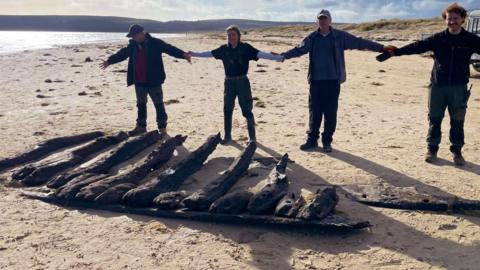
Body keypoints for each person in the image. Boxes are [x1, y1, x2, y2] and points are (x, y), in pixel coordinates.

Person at [278, 10, 396, 152]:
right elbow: (298, 50)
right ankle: (312, 141)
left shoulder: (340, 36)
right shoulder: (312, 38)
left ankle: (327, 141)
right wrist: (283, 56)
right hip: (316, 81)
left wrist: (381, 47)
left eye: (325, 18)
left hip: (333, 81)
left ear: (330, 20)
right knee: (314, 112)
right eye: (320, 19)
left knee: (330, 113)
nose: (322, 21)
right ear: (317, 21)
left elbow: (359, 42)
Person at [382, 3, 480, 166]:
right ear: (445, 20)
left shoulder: (470, 40)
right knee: (434, 118)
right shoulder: (438, 38)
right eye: (449, 19)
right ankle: (432, 149)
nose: (452, 22)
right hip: (438, 85)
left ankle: (457, 151)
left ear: (462, 19)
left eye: (455, 19)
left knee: (457, 120)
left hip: (458, 86)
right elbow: (417, 47)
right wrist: (396, 52)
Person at [189, 25, 283, 144]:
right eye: (229, 35)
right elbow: (209, 54)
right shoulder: (223, 49)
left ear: (239, 36)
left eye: (233, 35)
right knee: (227, 108)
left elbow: (261, 54)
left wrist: (278, 57)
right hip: (229, 82)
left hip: (242, 81)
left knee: (247, 108)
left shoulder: (246, 48)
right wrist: (193, 54)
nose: (231, 37)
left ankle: (252, 138)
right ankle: (227, 137)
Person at [100, 24, 191, 136]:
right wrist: (109, 61)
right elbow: (122, 54)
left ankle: (162, 128)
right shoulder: (133, 45)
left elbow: (169, 49)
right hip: (139, 81)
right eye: (132, 37)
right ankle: (141, 127)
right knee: (141, 105)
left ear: (142, 33)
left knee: (158, 105)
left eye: (134, 36)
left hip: (154, 81)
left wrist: (183, 54)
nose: (133, 38)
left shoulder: (155, 43)